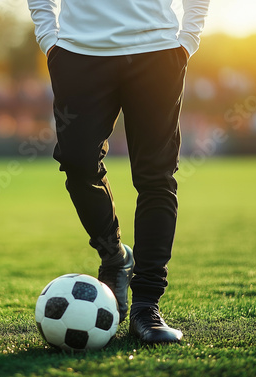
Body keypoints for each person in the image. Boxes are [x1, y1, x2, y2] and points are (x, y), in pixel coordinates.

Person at [27, 0, 209, 343]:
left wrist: (188, 39)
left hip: (157, 51)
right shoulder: (68, 49)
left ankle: (146, 305)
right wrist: (49, 39)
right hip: (78, 53)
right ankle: (114, 255)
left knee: (156, 177)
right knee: (77, 162)